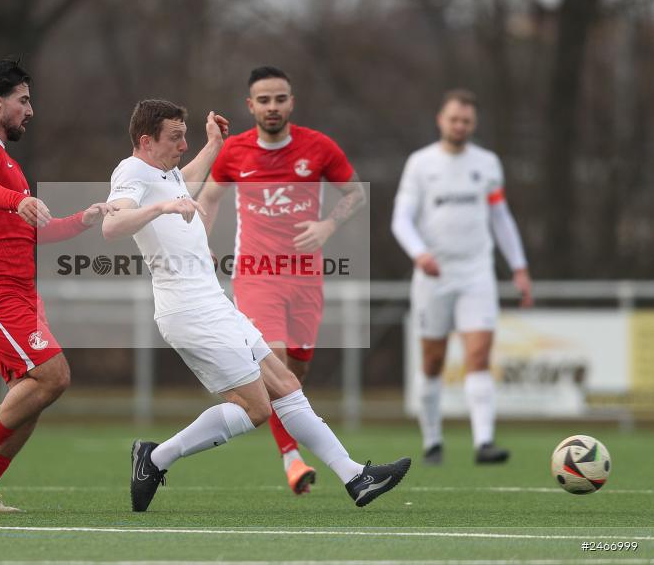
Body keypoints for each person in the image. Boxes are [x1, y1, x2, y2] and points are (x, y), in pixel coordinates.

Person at [103, 99, 409, 513]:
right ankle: (154, 459)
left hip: (213, 303)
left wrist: (212, 146)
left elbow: (184, 181)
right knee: (255, 409)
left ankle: (356, 477)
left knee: (285, 386)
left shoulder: (161, 172)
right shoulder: (131, 171)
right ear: (145, 140)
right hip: (190, 312)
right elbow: (112, 224)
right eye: (175, 137)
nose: (182, 144)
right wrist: (160, 207)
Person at [0, 58, 115, 513]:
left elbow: (33, 230)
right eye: (24, 100)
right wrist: (18, 198)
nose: (31, 110)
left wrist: (84, 219)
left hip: (19, 291)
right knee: (53, 375)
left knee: (33, 394)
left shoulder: (8, 160)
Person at [196, 66, 365, 495]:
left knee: (297, 367)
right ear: (250, 105)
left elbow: (355, 193)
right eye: (264, 100)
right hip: (256, 276)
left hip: (306, 278)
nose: (272, 107)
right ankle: (291, 458)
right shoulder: (234, 151)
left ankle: (292, 440)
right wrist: (198, 243)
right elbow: (209, 199)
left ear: (291, 102)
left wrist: (327, 227)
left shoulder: (319, 147)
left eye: (280, 99)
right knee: (272, 366)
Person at [391, 89, 533, 466]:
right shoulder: (421, 164)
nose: (460, 126)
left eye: (466, 121)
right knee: (433, 361)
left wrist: (518, 267)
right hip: (433, 276)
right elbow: (400, 218)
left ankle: (484, 442)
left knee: (478, 354)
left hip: (476, 274)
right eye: (454, 119)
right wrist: (419, 253)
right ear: (441, 119)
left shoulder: (487, 164)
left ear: (474, 124)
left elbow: (500, 217)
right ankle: (433, 441)